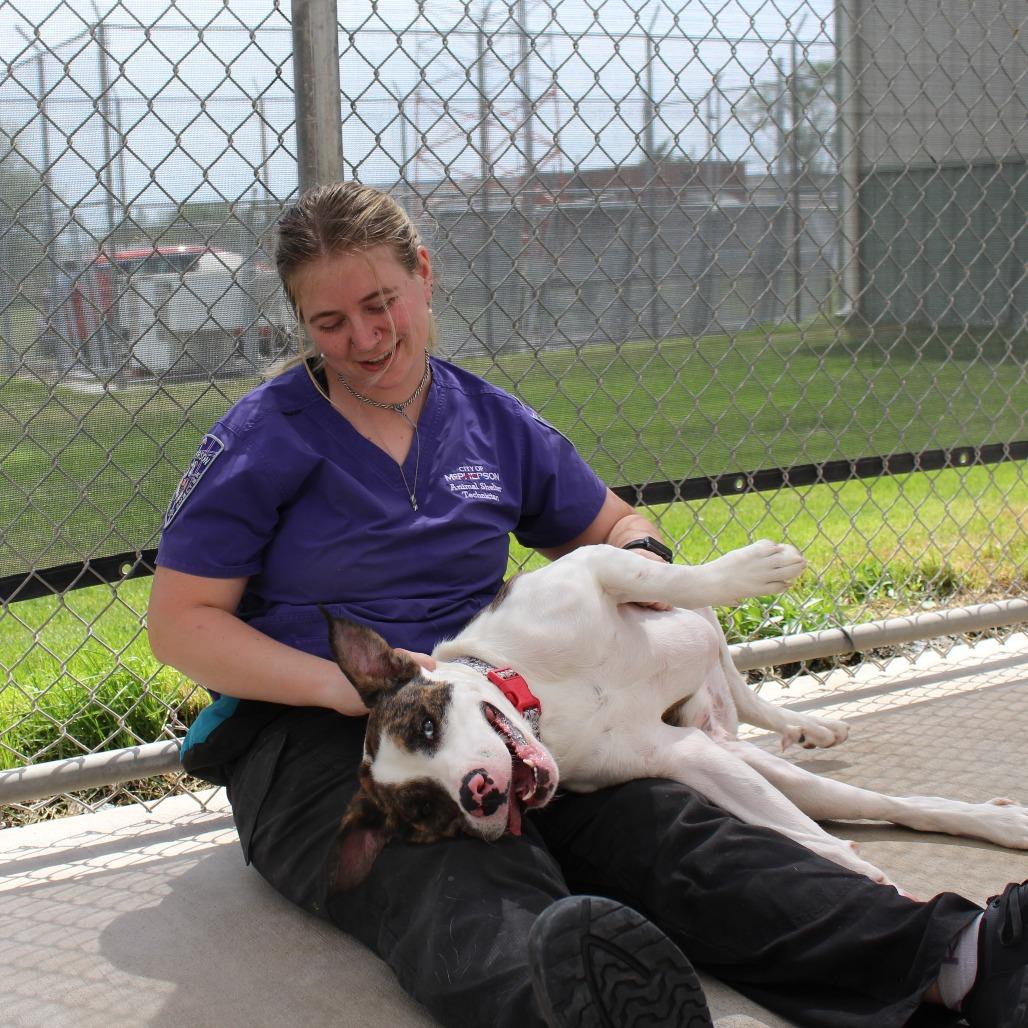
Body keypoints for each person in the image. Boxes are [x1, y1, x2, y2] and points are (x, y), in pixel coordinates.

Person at [147, 180, 1027, 1028]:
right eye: (330, 323)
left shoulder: (488, 420)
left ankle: (960, 960)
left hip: (493, 700)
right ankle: (566, 1005)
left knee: (669, 829)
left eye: (383, 302)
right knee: (443, 866)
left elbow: (616, 529)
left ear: (424, 272)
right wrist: (348, 690)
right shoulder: (262, 435)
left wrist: (656, 607)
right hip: (322, 727)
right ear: (301, 323)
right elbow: (181, 624)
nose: (366, 338)